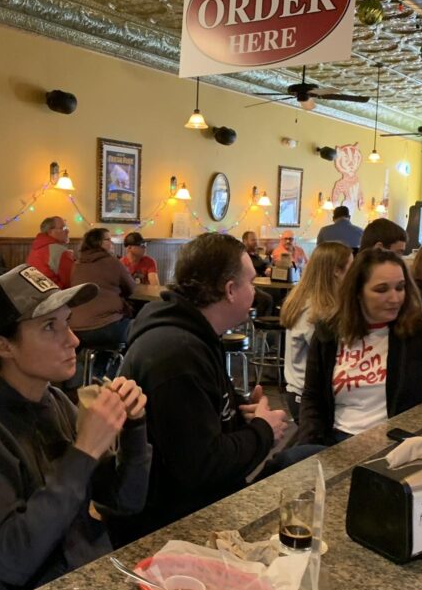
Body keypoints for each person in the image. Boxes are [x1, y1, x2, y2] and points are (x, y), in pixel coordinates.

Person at [0, 265, 150, 590]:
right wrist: (84, 451)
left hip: (76, 588)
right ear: (4, 346)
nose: (73, 340)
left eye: (67, 322)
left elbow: (125, 501)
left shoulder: (55, 402)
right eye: (50, 327)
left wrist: (134, 428)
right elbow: (13, 562)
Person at [111, 233, 290, 544]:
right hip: (171, 528)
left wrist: (239, 415)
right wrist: (264, 431)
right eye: (250, 282)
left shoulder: (194, 336)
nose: (256, 292)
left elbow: (199, 426)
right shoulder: (177, 355)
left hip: (194, 502)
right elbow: (200, 469)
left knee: (303, 459)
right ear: (230, 290)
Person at [298, 248, 422, 446]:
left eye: (400, 287)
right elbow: (312, 397)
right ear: (357, 292)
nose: (395, 298)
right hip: (336, 441)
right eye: (381, 290)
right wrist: (311, 442)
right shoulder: (329, 331)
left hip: (397, 443)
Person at [280, 242, 352, 422]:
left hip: (297, 391)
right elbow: (330, 356)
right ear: (337, 271)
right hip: (306, 397)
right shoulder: (315, 310)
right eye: (351, 267)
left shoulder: (304, 299)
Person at [69, 228, 135, 347]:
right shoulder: (113, 262)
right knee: (138, 328)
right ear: (98, 243)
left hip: (74, 329)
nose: (112, 243)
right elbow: (131, 288)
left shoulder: (77, 264)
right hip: (104, 326)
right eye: (108, 240)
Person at [27, 216, 75, 288]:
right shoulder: (61, 252)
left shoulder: (36, 247)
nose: (67, 231)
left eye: (66, 228)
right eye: (63, 228)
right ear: (50, 232)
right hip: (57, 294)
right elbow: (71, 283)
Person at [241, 231, 274, 317]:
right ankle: (259, 322)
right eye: (253, 240)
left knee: (276, 293)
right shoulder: (242, 256)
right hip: (249, 286)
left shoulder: (255, 255)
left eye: (256, 240)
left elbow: (265, 263)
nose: (256, 242)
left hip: (260, 285)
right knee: (266, 299)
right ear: (245, 241)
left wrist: (268, 268)